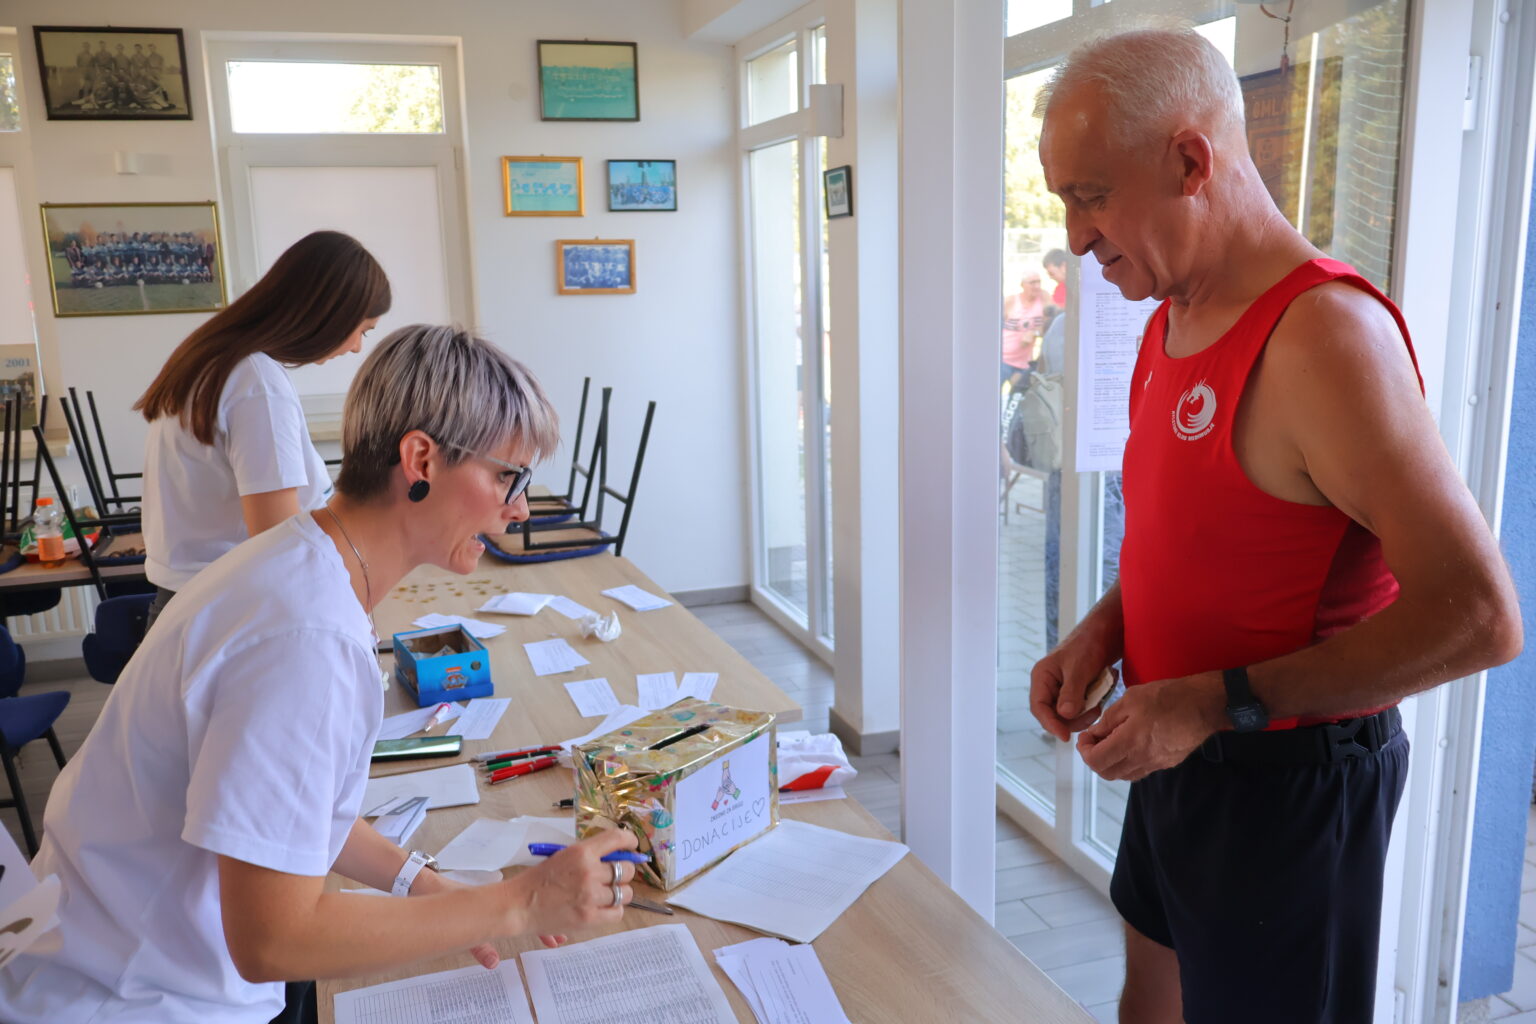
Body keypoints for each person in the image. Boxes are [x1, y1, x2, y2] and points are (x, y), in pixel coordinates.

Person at [1029, 28, 1521, 1024]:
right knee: (1152, 998)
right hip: (1181, 745)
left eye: (1091, 196)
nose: (1076, 238)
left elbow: (1481, 617)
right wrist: (1104, 629)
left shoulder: (1327, 338)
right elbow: (1199, 535)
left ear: (1190, 161)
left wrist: (1218, 703)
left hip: (1286, 777)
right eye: (1065, 203)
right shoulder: (1169, 317)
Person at [0, 324, 639, 1024]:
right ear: (421, 459)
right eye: (507, 477)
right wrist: (519, 902)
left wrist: (424, 884)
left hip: (103, 958)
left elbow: (287, 814)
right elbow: (273, 940)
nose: (519, 508)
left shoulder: (299, 562)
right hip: (133, 1000)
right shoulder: (306, 637)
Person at [134, 231, 389, 626]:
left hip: (194, 606)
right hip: (230, 613)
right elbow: (278, 544)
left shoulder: (214, 359)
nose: (357, 347)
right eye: (363, 330)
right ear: (330, 314)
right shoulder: (256, 381)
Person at [1001, 271, 1047, 381]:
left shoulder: (1043, 299)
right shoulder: (1010, 301)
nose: (1037, 286)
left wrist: (1034, 332)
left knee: (1019, 392)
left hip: (1024, 363)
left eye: (1039, 282)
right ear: (1022, 284)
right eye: (1032, 283)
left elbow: (1050, 326)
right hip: (1003, 360)